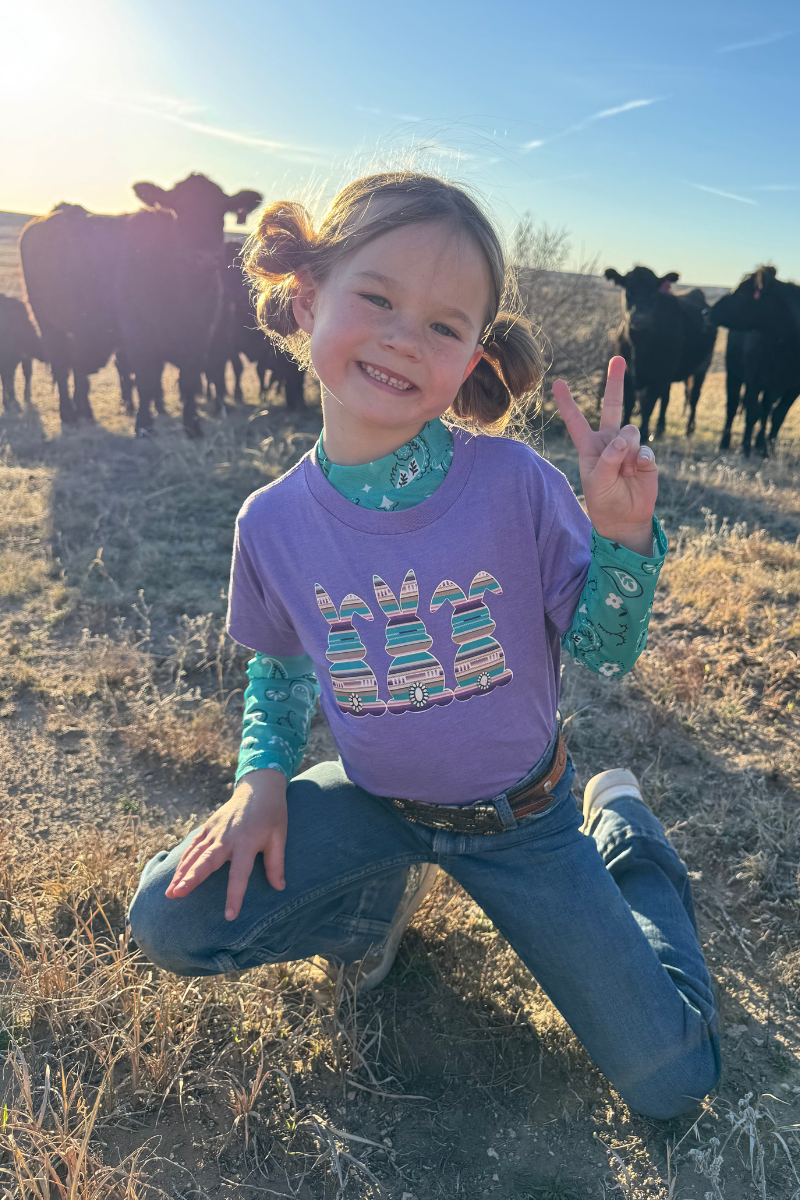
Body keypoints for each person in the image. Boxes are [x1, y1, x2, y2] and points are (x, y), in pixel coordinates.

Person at [128, 172, 720, 1119]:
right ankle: (373, 911)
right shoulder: (270, 522)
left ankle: (628, 838)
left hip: (524, 824)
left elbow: (604, 654)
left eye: (444, 325)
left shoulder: (515, 483)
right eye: (376, 298)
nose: (405, 338)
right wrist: (261, 778)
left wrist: (622, 539)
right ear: (307, 298)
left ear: (473, 355)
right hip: (375, 805)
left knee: (674, 1082)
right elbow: (281, 663)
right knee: (170, 918)